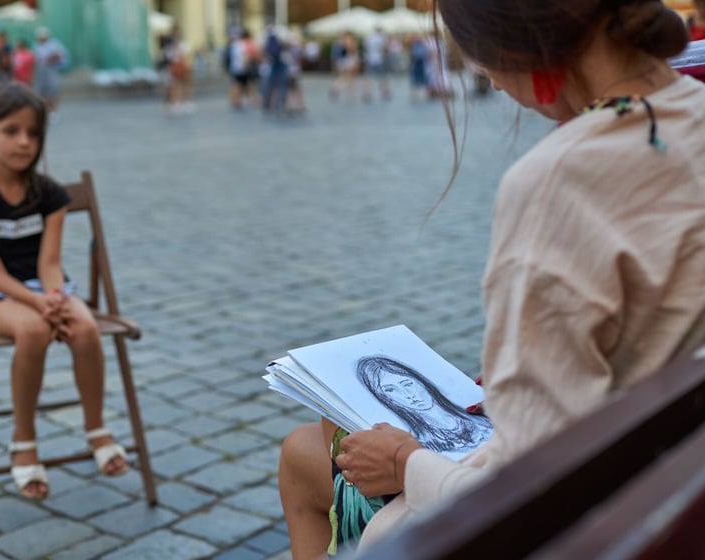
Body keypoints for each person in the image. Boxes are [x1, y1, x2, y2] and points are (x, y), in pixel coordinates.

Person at [278, 1, 704, 558]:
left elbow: (526, 489)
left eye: (477, 57)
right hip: (664, 469)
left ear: (518, 42)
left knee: (305, 453)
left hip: (589, 513)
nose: (488, 80)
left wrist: (404, 462)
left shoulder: (560, 180)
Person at [0, 82, 129, 501]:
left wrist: (56, 299)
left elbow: (50, 263)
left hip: (48, 288)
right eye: (11, 131)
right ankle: (23, 439)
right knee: (32, 331)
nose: (24, 142)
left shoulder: (48, 195)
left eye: (33, 133)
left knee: (83, 327)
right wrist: (37, 304)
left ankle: (97, 428)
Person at [357, 356, 491, 453]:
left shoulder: (486, 420)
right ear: (385, 398)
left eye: (408, 384)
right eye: (390, 390)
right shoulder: (418, 444)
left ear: (422, 382)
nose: (409, 395)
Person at [32, 27, 68, 112]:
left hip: (51, 72)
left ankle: (53, 109)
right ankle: (45, 109)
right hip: (41, 73)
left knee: (53, 90)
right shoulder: (36, 45)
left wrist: (51, 58)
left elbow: (60, 55)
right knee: (41, 92)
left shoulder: (54, 44)